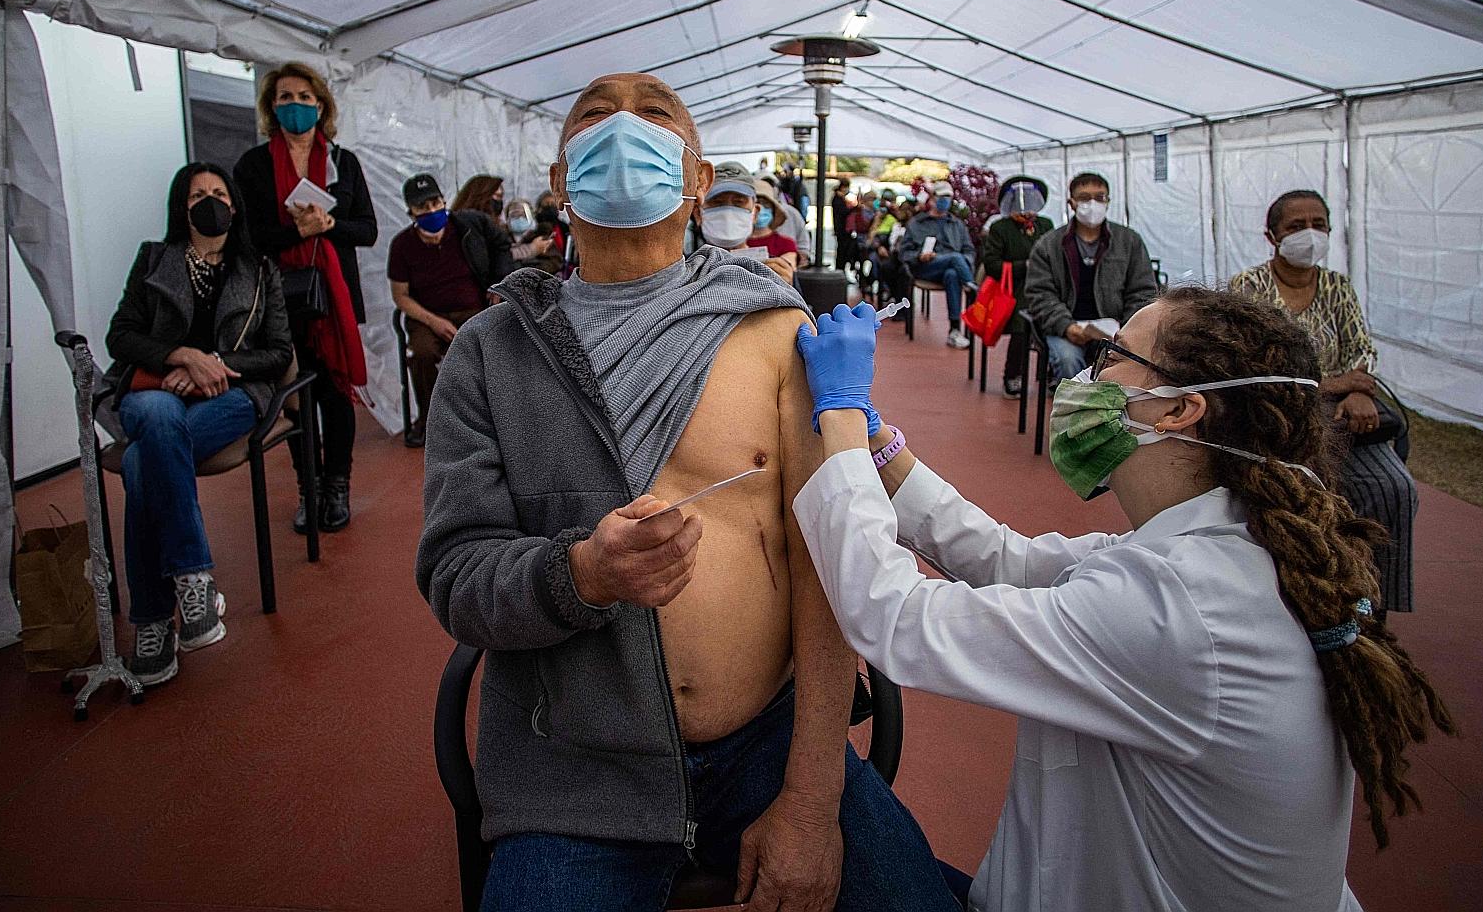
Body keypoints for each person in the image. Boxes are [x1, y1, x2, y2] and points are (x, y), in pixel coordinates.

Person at [416, 72, 957, 912]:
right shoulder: (489, 355)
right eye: (593, 114)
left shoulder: (774, 330)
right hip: (575, 772)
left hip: (768, 745)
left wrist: (812, 803)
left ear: (700, 179)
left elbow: (825, 567)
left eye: (655, 114)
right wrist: (582, 575)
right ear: (560, 180)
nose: (624, 128)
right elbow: (458, 577)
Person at [792, 288, 1455, 912]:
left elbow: (896, 616)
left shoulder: (1184, 604)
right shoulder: (1216, 550)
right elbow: (1011, 561)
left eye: (1114, 359)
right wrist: (877, 443)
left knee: (801, 792)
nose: (1087, 378)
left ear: (1177, 408)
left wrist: (840, 414)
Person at [104, 162, 293, 686]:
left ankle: (150, 621)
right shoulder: (152, 259)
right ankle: (193, 580)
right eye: (196, 194)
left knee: (144, 458)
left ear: (234, 205)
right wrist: (181, 356)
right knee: (157, 427)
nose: (208, 201)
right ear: (179, 206)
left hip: (231, 394)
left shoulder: (259, 270)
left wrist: (215, 366)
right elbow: (120, 336)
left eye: (217, 193)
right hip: (155, 391)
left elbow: (278, 353)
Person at [1231, 189, 1419, 614]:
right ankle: (1301, 601)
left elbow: (1362, 351)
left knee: (1394, 489)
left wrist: (1356, 391)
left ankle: (1374, 606)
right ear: (1271, 236)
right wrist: (1335, 384)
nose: (1310, 235)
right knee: (1298, 494)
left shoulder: (1337, 287)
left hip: (1345, 420)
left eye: (1319, 225)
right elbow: (1255, 366)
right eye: (1296, 227)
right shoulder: (1250, 286)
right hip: (1277, 422)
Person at [234, 61, 377, 534]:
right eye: (284, 98)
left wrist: (329, 225)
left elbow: (368, 230)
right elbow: (249, 238)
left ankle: (337, 487)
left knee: (336, 395)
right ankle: (308, 488)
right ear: (271, 107)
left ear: (321, 105)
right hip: (277, 300)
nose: (294, 105)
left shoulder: (344, 162)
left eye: (304, 97)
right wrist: (294, 229)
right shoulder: (253, 166)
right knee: (294, 395)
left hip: (331, 297)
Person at [388, 173, 513, 448]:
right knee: (421, 353)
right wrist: (433, 322)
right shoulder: (402, 246)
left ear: (443, 200)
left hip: (473, 308)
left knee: (492, 345)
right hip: (427, 315)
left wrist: (499, 284)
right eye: (423, 207)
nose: (432, 211)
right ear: (411, 212)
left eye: (435, 202)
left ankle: (492, 419)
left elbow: (503, 245)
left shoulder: (470, 224)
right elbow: (401, 296)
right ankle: (431, 420)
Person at [1024, 171, 1157, 384]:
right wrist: (1066, 326)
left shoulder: (1129, 241)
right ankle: (1073, 413)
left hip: (1115, 330)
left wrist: (1126, 330)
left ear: (1108, 201)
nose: (1093, 204)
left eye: (1100, 197)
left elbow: (1143, 291)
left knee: (1129, 365)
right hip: (1066, 329)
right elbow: (1039, 293)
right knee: (1068, 360)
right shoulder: (1049, 245)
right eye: (1085, 198)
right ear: (1072, 203)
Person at [982, 175, 1053, 396]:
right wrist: (1025, 266)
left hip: (1044, 285)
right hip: (1012, 288)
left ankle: (1050, 374)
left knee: (1055, 320)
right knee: (1022, 322)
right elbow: (992, 264)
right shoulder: (1001, 228)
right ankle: (1013, 375)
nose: (1027, 209)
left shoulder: (1045, 225)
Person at [898, 180, 975, 349]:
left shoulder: (957, 224)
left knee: (953, 274)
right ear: (932, 198)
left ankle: (954, 330)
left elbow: (969, 250)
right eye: (942, 197)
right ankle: (974, 292)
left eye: (949, 197)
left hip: (951, 269)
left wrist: (965, 261)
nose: (945, 201)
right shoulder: (917, 223)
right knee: (954, 258)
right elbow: (904, 253)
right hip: (925, 268)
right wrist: (920, 256)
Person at [697, 170, 797, 283]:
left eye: (739, 202)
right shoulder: (686, 270)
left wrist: (787, 288)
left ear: (755, 213)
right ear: (697, 214)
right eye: (718, 202)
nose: (728, 213)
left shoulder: (775, 267)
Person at [830, 179, 853, 273]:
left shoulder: (840, 198)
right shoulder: (838, 199)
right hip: (841, 229)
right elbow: (843, 212)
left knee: (843, 250)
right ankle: (840, 269)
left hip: (842, 228)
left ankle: (841, 269)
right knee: (842, 251)